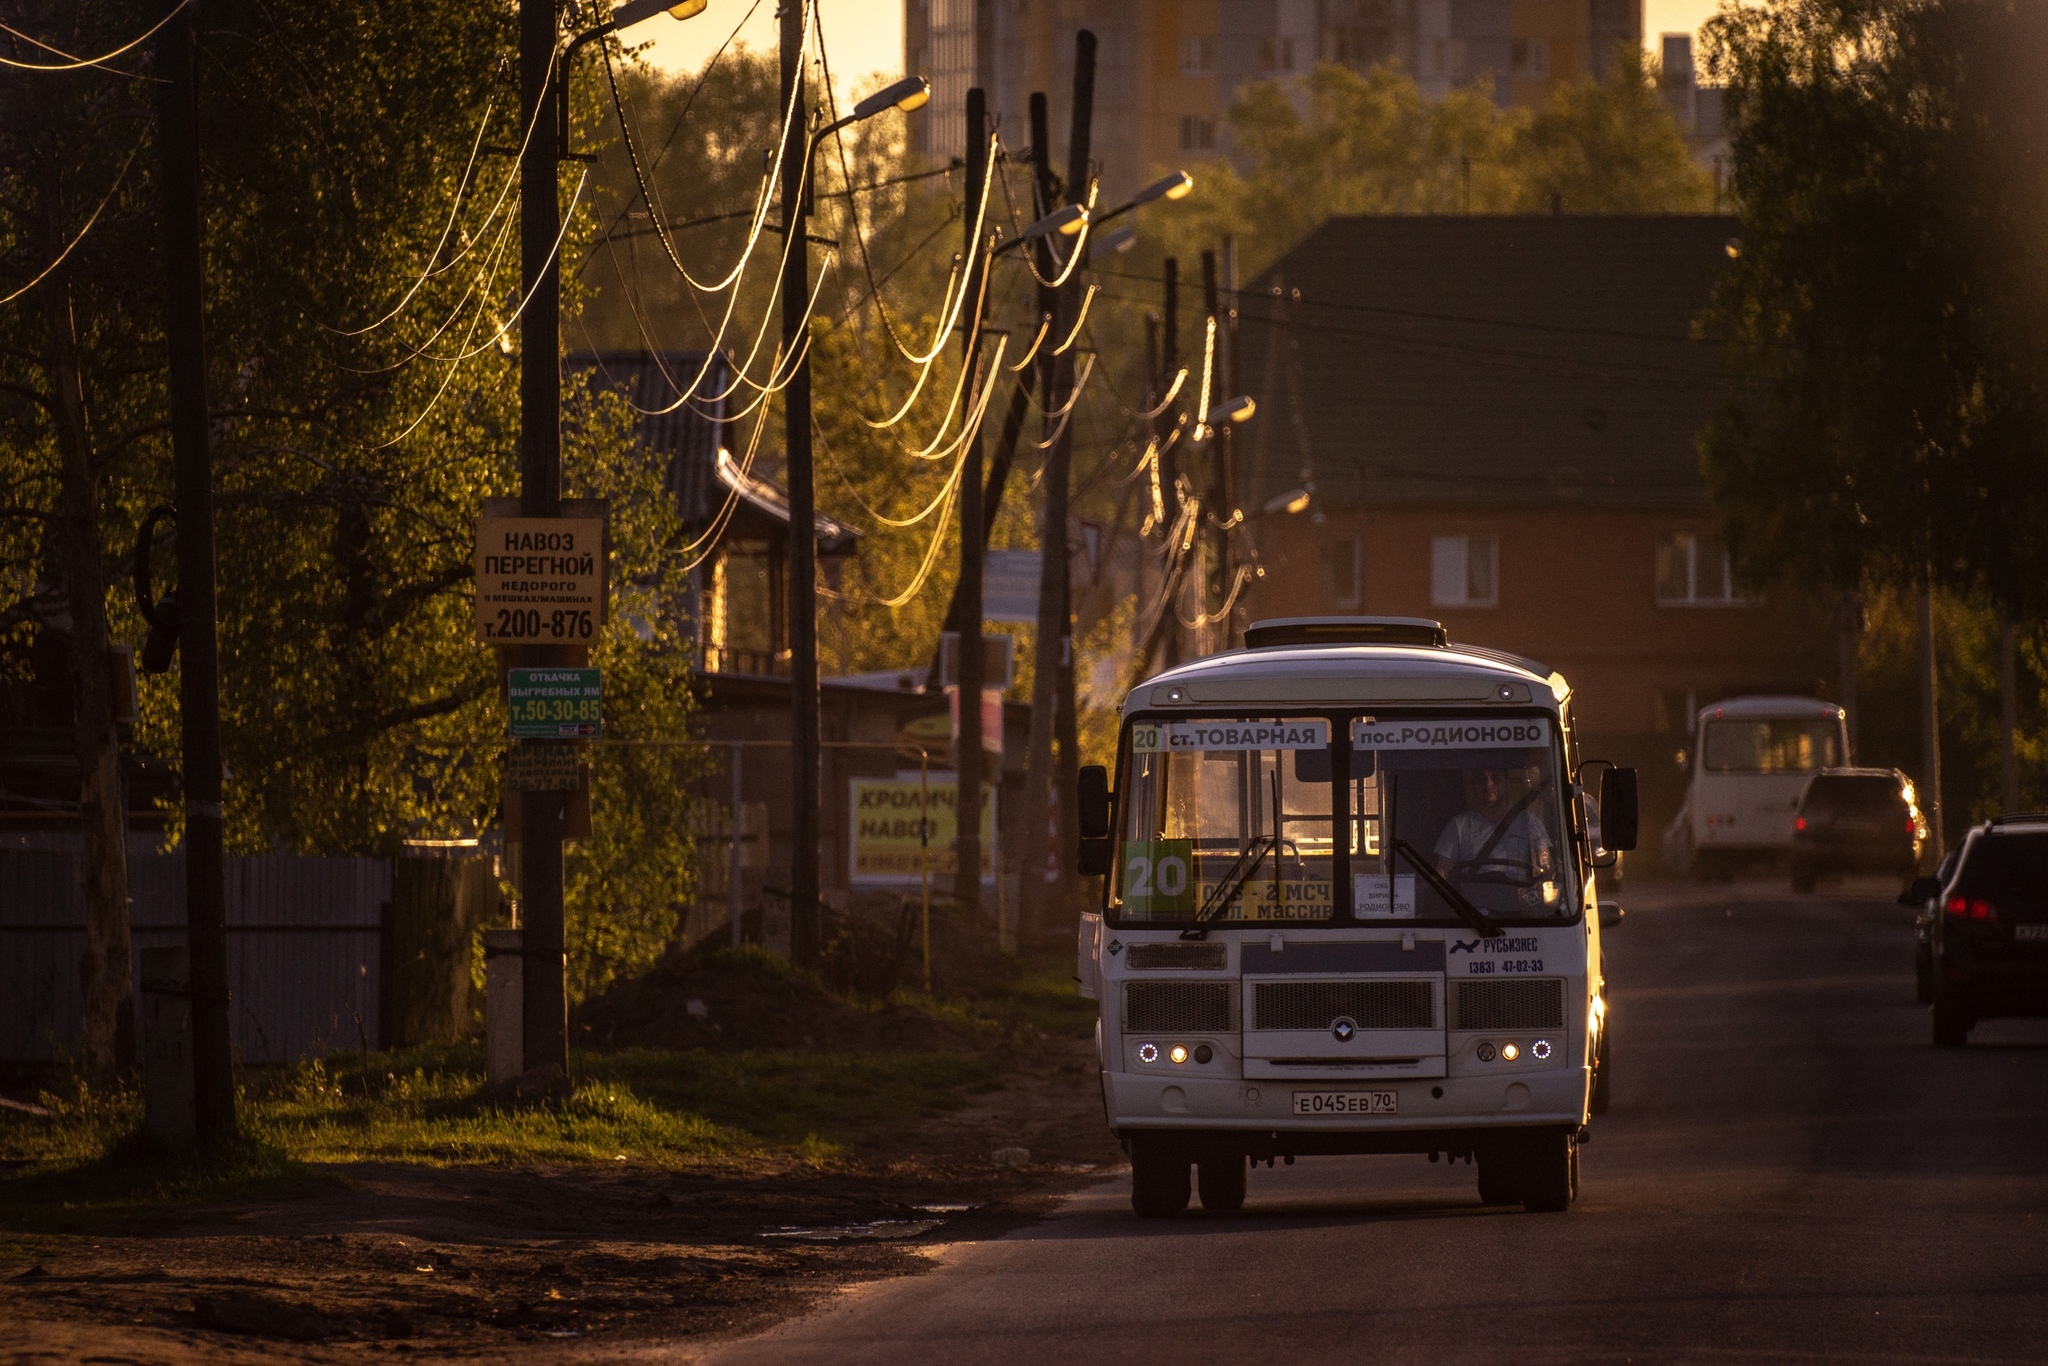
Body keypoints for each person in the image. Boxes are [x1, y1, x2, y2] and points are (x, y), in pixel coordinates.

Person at [1435, 764, 1555, 905]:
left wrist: (1533, 891)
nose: (1488, 784)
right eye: (1481, 779)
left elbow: (1545, 868)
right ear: (1473, 786)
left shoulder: (1528, 822)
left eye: (1495, 778)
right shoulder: (1458, 825)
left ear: (1506, 783)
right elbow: (1442, 872)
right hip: (1472, 911)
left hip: (1519, 909)